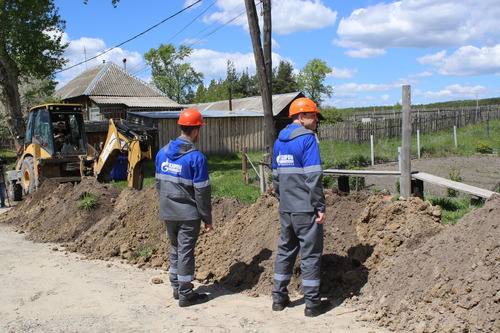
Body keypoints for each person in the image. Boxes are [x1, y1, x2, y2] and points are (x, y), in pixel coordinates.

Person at [271, 97, 331, 317]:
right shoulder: (308, 139)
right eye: (313, 115)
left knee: (285, 250)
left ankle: (278, 298)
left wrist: (283, 199)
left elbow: (275, 176)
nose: (317, 119)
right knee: (311, 254)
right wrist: (320, 206)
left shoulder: (279, 142)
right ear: (301, 116)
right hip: (306, 208)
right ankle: (313, 304)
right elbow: (314, 176)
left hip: (286, 207)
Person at [155, 109, 213, 308]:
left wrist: (165, 203)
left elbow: (158, 184)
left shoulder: (162, 153)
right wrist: (207, 218)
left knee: (175, 248)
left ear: (181, 127)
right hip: (188, 214)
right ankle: (186, 293)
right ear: (196, 130)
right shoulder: (197, 158)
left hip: (168, 210)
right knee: (186, 251)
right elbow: (202, 193)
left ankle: (176, 287)